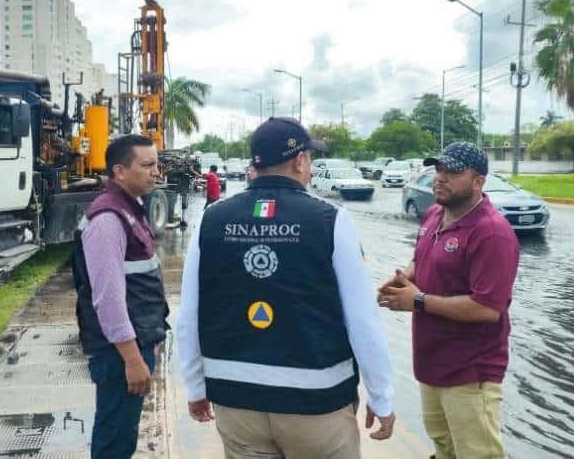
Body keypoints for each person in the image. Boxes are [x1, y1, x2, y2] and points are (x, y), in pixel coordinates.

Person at [177, 116, 396, 458]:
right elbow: (363, 320)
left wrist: (194, 386)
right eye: (309, 158)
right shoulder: (331, 220)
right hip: (316, 401)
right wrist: (381, 396)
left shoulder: (211, 219)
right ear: (299, 160)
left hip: (237, 401)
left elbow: (190, 313)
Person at [378, 142, 519, 459]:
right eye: (438, 169)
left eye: (452, 172)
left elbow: (487, 309)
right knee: (444, 448)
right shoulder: (434, 215)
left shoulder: (491, 233)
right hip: (432, 364)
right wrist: (404, 278)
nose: (439, 178)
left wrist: (417, 301)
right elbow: (421, 259)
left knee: (477, 454)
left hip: (470, 372)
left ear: (478, 181)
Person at [71, 135, 170, 458]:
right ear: (120, 171)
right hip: (118, 354)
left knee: (122, 435)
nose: (156, 171)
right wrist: (132, 358)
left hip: (136, 342)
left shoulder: (130, 208)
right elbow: (108, 298)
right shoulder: (109, 219)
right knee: (114, 439)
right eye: (147, 165)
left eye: (156, 163)